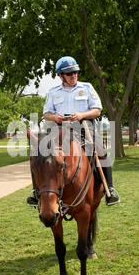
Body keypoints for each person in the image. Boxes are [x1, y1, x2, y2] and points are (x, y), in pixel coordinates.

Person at [27, 56, 120, 207]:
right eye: (69, 73)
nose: (73, 76)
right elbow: (46, 114)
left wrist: (82, 115)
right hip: (59, 130)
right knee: (37, 153)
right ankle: (35, 193)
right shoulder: (53, 92)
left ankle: (110, 189)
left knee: (101, 150)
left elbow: (97, 110)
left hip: (83, 128)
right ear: (60, 76)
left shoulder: (87, 87)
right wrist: (55, 117)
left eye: (75, 72)